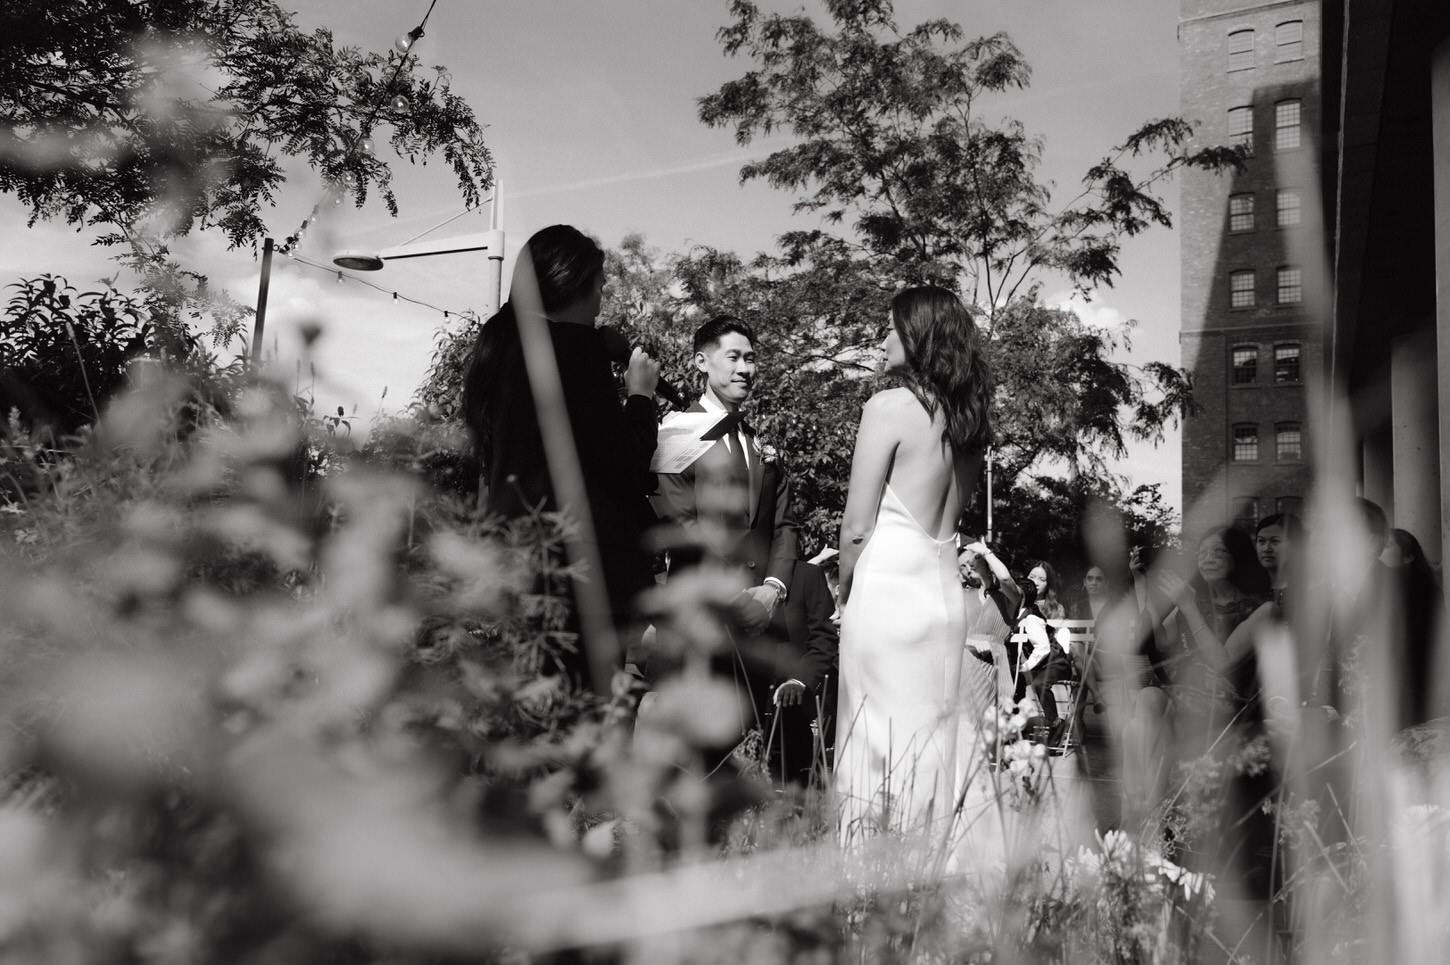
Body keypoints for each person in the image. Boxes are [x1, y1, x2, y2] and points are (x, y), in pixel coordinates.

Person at [461, 224, 660, 690]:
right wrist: (641, 396)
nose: (602, 296)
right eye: (599, 283)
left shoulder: (501, 350)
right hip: (579, 577)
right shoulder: (573, 351)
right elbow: (625, 464)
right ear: (571, 283)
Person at [834, 286, 991, 841]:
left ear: (918, 337)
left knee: (875, 736)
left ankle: (868, 878)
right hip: (944, 597)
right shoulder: (969, 425)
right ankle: (932, 869)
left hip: (888, 594)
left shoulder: (889, 407)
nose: (881, 340)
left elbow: (856, 528)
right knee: (934, 739)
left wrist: (843, 589)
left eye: (890, 330)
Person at [651, 316, 799, 763]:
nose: (745, 369)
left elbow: (784, 527)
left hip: (761, 619)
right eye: (733, 357)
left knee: (743, 747)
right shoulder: (677, 433)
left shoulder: (758, 443)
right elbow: (681, 523)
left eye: (751, 359)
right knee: (695, 756)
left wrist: (772, 590)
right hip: (702, 620)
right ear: (702, 361)